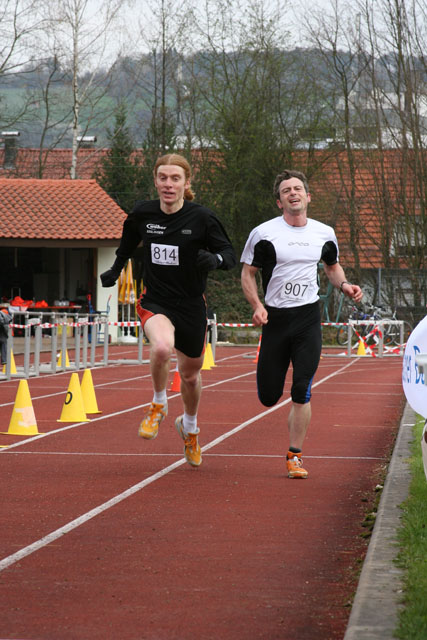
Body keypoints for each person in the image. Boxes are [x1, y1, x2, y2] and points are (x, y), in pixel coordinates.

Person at [100, 153, 236, 467]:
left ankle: (189, 427)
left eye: (175, 178)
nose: (168, 184)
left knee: (190, 376)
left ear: (186, 183)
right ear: (155, 180)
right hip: (156, 301)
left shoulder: (202, 218)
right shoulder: (143, 213)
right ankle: (158, 404)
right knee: (161, 348)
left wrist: (214, 260)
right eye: (163, 178)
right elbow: (127, 242)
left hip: (191, 305)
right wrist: (116, 269)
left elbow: (229, 254)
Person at [241, 169, 363, 479]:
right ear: (279, 201)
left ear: (308, 196)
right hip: (276, 320)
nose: (292, 193)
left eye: (297, 189)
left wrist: (345, 285)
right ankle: (284, 409)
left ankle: (294, 455)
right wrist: (257, 306)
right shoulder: (263, 234)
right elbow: (248, 273)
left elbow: (332, 267)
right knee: (269, 396)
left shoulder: (324, 233)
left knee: (302, 388)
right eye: (286, 191)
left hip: (308, 318)